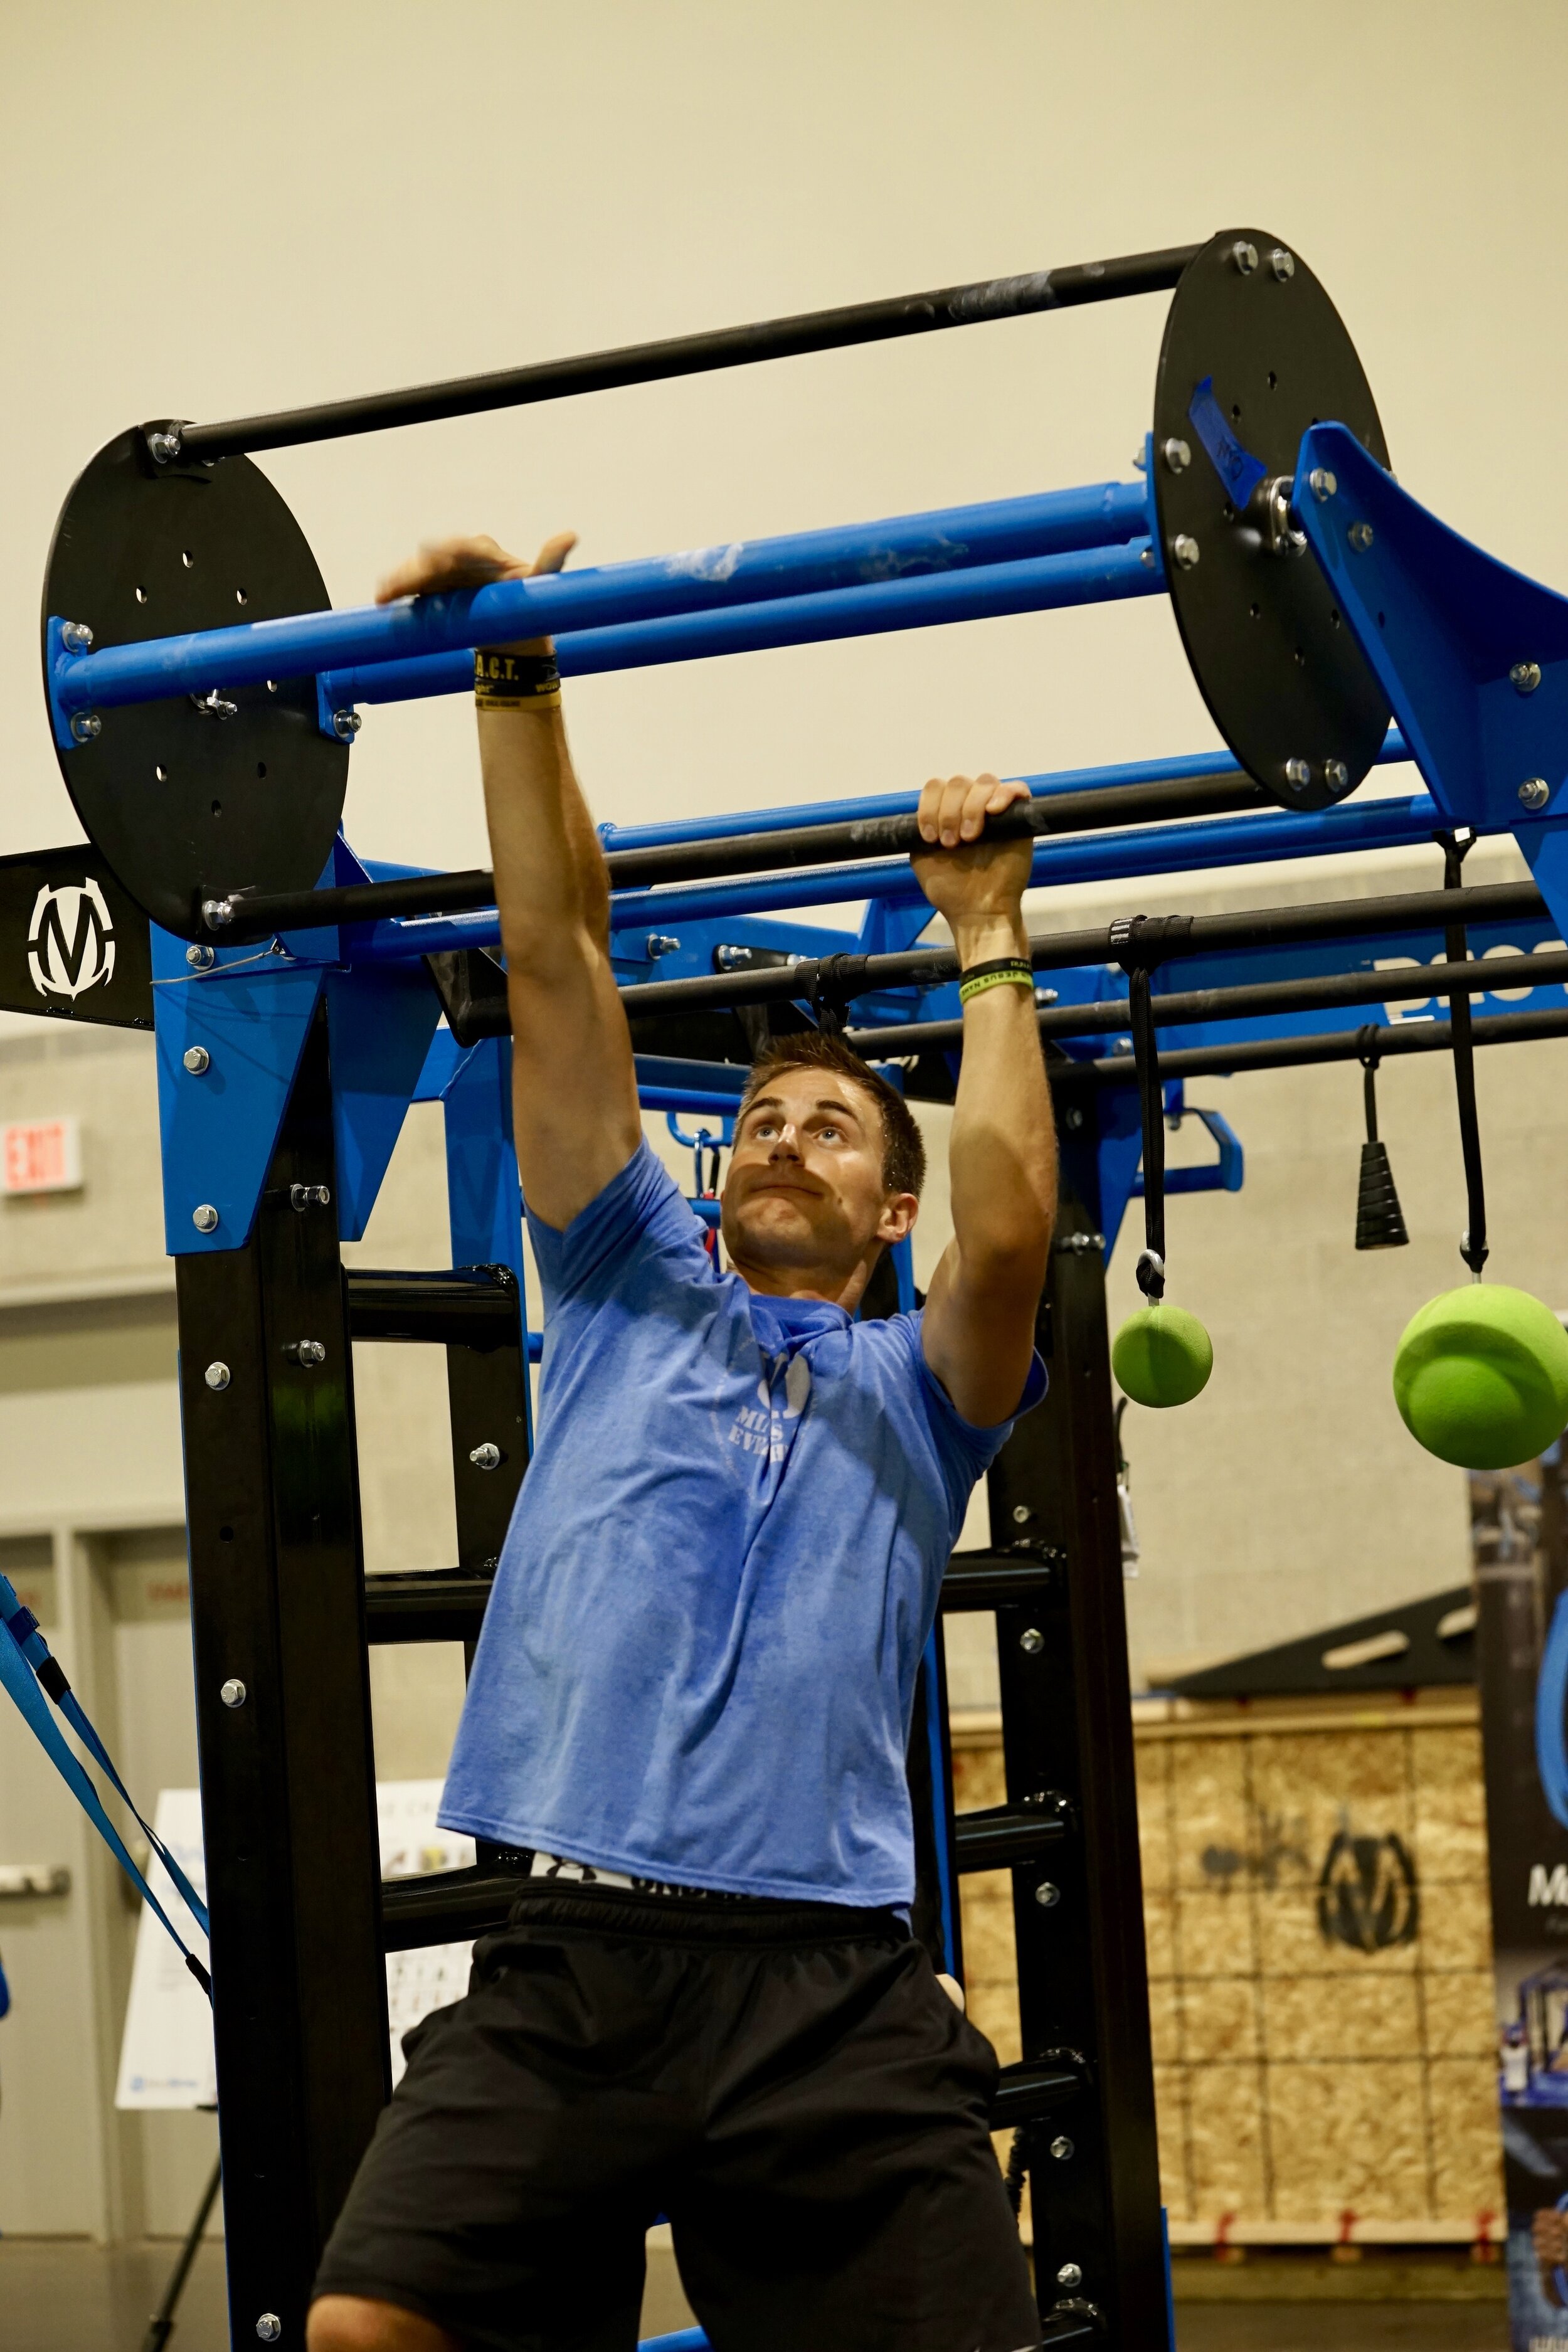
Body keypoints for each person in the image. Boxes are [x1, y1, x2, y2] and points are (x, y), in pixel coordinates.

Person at [308, 527, 1057, 2352]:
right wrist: (515, 663)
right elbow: (557, 954)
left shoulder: (916, 1389)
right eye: (766, 1121)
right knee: (365, 2329)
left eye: (834, 1129)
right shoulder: (629, 1278)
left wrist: (987, 933)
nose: (786, 1139)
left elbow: (1016, 1222)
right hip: (572, 1961)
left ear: (889, 1211)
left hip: (823, 1987)